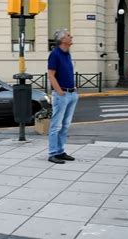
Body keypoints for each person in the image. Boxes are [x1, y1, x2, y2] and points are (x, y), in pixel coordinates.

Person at [47, 29, 78, 164]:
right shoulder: (55, 54)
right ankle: (53, 153)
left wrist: (74, 89)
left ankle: (60, 151)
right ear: (62, 40)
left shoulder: (67, 54)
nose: (71, 37)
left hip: (71, 93)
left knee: (65, 125)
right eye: (68, 36)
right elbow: (51, 75)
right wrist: (59, 91)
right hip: (62, 94)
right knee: (56, 126)